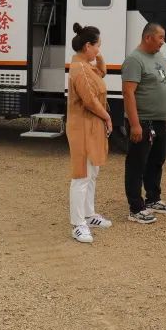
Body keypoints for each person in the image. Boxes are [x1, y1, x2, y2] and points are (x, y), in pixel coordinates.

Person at [121, 23, 166, 225]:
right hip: (143, 121)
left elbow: (165, 85)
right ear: (148, 38)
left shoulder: (159, 57)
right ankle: (136, 207)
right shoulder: (134, 60)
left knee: (156, 161)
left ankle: (153, 198)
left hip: (160, 120)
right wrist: (135, 125)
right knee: (137, 163)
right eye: (160, 37)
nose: (163, 41)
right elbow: (128, 93)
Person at [66, 23, 113, 244]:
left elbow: (101, 73)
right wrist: (106, 116)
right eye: (97, 46)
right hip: (82, 125)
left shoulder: (86, 65)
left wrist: (99, 55)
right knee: (82, 175)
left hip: (92, 125)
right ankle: (78, 223)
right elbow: (90, 101)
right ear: (87, 46)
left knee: (92, 171)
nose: (99, 50)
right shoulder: (79, 69)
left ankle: (89, 214)